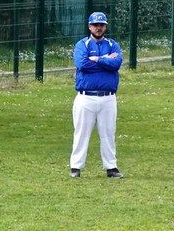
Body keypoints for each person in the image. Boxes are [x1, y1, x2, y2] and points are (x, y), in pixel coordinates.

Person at [70, 11, 124, 179]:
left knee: (108, 133)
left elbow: (116, 64)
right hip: (86, 96)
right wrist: (106, 60)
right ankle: (76, 167)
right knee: (81, 133)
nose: (98, 28)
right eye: (95, 25)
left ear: (105, 27)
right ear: (89, 26)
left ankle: (111, 167)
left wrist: (97, 59)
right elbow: (82, 64)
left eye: (101, 25)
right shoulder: (82, 44)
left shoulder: (113, 44)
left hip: (108, 97)